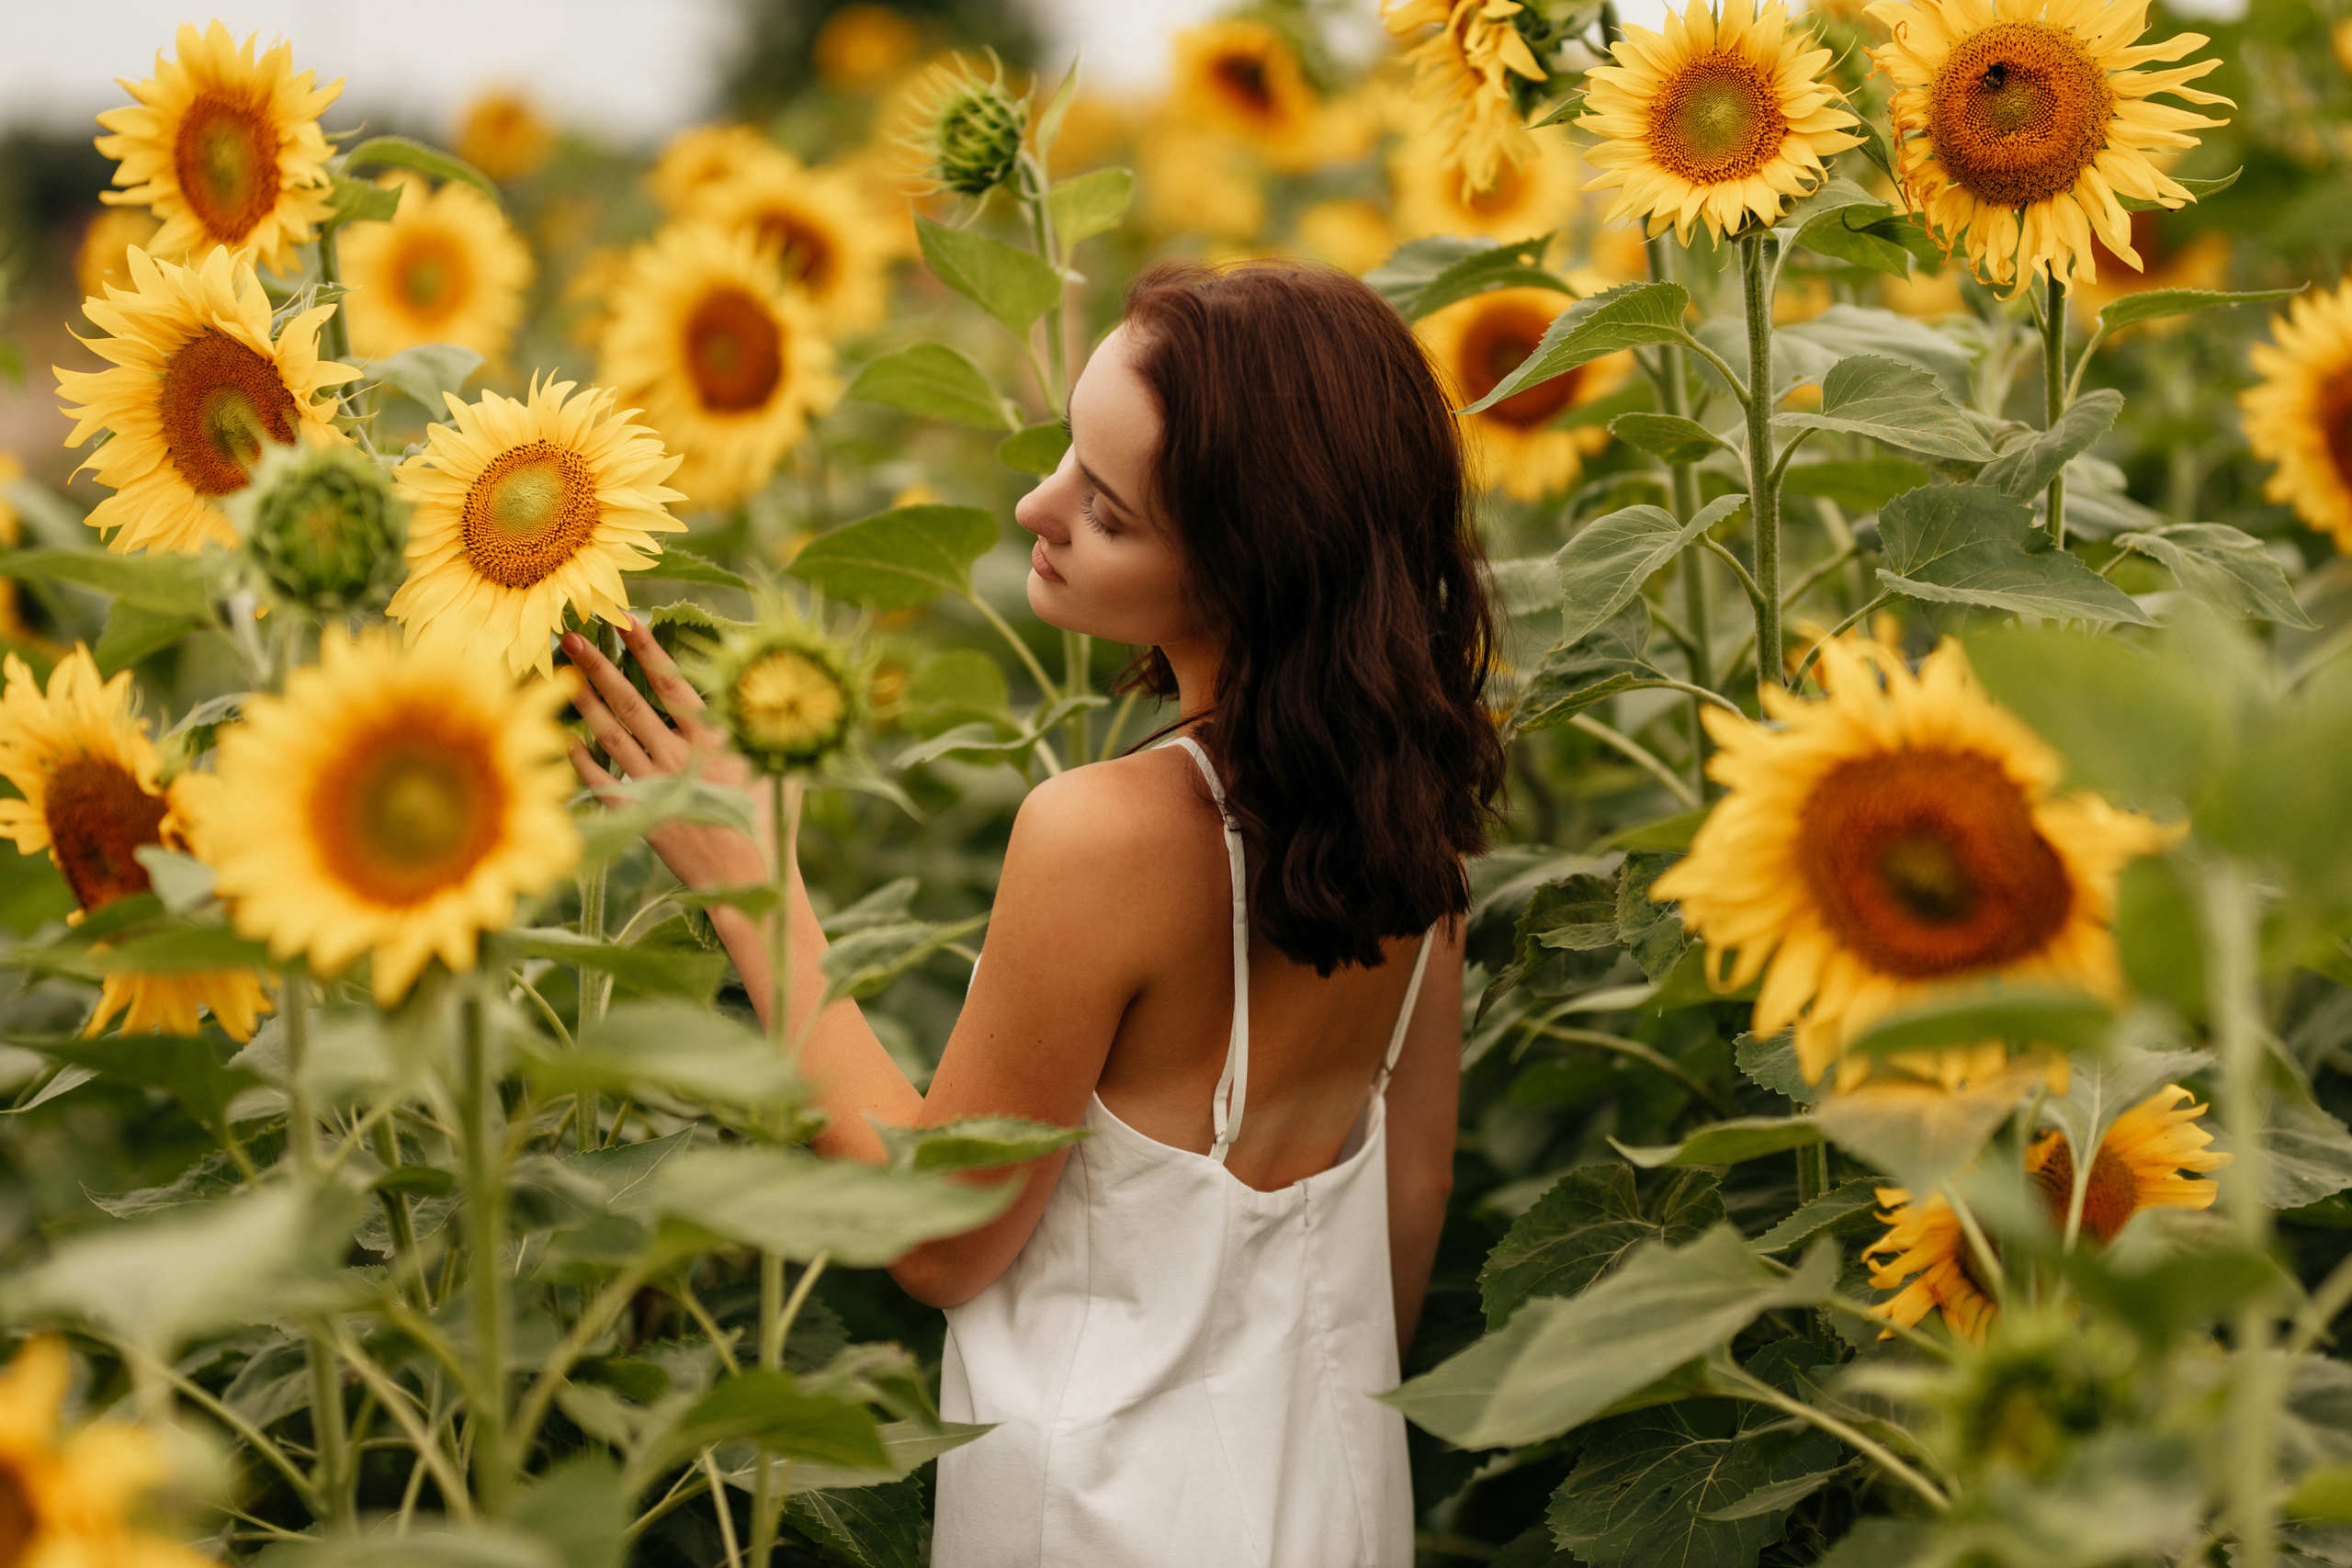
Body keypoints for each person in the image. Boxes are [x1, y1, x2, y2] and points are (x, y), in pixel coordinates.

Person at [564, 260, 1506, 1566]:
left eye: (1106, 511)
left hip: (1107, 1520)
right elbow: (1416, 1185)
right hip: (1332, 1499)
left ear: (1247, 575)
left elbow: (940, 1237)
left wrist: (750, 880)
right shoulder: (1416, 813)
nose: (1034, 505)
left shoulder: (1102, 835)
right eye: (1070, 453)